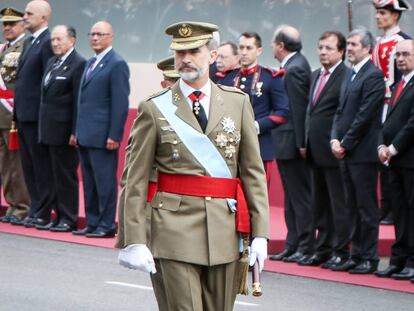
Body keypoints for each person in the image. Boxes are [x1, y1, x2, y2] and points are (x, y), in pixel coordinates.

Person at [117, 21, 269, 311]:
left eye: (194, 51)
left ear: (212, 56)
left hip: (225, 231)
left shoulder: (237, 103)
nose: (185, 58)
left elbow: (252, 172)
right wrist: (133, 239)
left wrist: (261, 233)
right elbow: (133, 179)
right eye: (179, 52)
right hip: (172, 230)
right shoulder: (155, 107)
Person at [330, 28, 384, 274]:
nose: (349, 48)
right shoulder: (351, 75)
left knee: (366, 207)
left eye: (353, 44)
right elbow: (340, 112)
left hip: (362, 153)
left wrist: (345, 143)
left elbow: (365, 115)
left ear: (366, 48)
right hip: (346, 151)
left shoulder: (373, 76)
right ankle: (356, 253)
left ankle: (369, 257)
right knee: (351, 205)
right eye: (348, 43)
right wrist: (334, 139)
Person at [72, 21, 129, 238]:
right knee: (89, 182)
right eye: (92, 34)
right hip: (86, 134)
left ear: (110, 37)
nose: (94, 38)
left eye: (100, 34)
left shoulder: (117, 64)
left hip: (104, 136)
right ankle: (93, 222)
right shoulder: (90, 63)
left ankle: (106, 225)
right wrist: (77, 130)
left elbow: (120, 103)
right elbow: (82, 101)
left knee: (104, 183)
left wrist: (114, 134)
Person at [299, 31, 350, 268]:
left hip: (334, 150)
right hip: (314, 151)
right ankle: (323, 250)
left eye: (329, 48)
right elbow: (312, 112)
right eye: (320, 47)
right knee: (320, 205)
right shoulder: (315, 75)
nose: (322, 52)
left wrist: (337, 141)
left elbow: (343, 113)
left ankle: (341, 250)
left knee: (338, 205)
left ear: (341, 51)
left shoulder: (346, 76)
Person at [218, 32, 289, 186]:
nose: (244, 52)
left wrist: (257, 126)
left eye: (249, 48)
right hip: (231, 148)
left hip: (260, 147)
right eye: (241, 47)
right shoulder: (227, 78)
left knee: (258, 197)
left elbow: (283, 112)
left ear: (259, 51)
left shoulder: (271, 77)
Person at [269, 24, 314, 263]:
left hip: (292, 142)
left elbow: (298, 109)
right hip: (286, 141)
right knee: (291, 197)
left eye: (273, 43)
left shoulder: (295, 69)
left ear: (282, 46)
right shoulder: (293, 65)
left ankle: (305, 245)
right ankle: (293, 242)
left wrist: (301, 143)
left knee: (300, 196)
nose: (271, 47)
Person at [38, 25, 85, 232]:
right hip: (48, 129)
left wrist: (75, 131)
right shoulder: (52, 61)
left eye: (59, 39)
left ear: (72, 40)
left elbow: (78, 102)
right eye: (53, 40)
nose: (55, 43)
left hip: (65, 132)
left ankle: (68, 217)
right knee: (53, 175)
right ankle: (57, 215)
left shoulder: (78, 63)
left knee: (66, 176)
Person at [13, 0, 55, 227]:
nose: (24, 16)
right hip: (23, 114)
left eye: (29, 13)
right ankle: (34, 208)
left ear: (43, 18)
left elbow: (46, 82)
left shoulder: (47, 42)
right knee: (28, 165)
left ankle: (43, 211)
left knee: (40, 166)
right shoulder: (30, 41)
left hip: (37, 116)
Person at [375, 40, 414, 281]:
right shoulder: (398, 83)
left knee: (411, 211)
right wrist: (381, 144)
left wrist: (392, 148)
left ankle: (411, 260)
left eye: (406, 54)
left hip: (409, 158)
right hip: (394, 160)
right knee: (398, 210)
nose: (400, 59)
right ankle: (398, 259)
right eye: (397, 55)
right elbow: (387, 121)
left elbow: (412, 123)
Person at [372, 0, 412, 225]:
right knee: (380, 155)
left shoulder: (402, 41)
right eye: (377, 13)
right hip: (380, 102)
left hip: (396, 103)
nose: (378, 17)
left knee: (391, 154)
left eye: (383, 13)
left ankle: (391, 207)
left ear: (395, 16)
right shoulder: (378, 42)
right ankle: (385, 205)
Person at [0, 7, 30, 224]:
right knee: (4, 165)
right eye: (5, 24)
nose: (7, 28)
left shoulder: (26, 46)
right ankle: (11, 204)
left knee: (16, 165)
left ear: (23, 25)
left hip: (13, 115)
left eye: (12, 24)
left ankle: (21, 206)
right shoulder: (4, 49)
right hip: (1, 114)